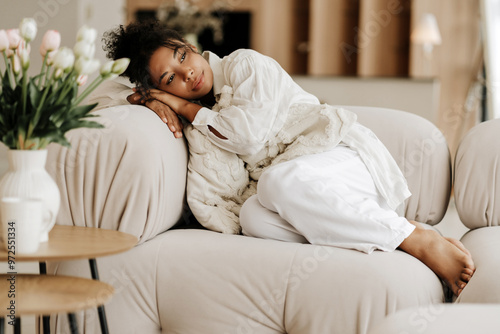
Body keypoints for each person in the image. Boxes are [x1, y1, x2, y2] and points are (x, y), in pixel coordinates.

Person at [103, 20, 474, 296]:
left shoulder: (243, 65)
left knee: (275, 183)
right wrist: (149, 99)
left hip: (339, 157)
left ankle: (413, 238)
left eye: (182, 56)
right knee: (252, 217)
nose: (188, 73)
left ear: (189, 45)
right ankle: (382, 227)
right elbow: (108, 90)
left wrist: (181, 104)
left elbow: (246, 137)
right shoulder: (202, 113)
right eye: (171, 79)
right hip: (308, 194)